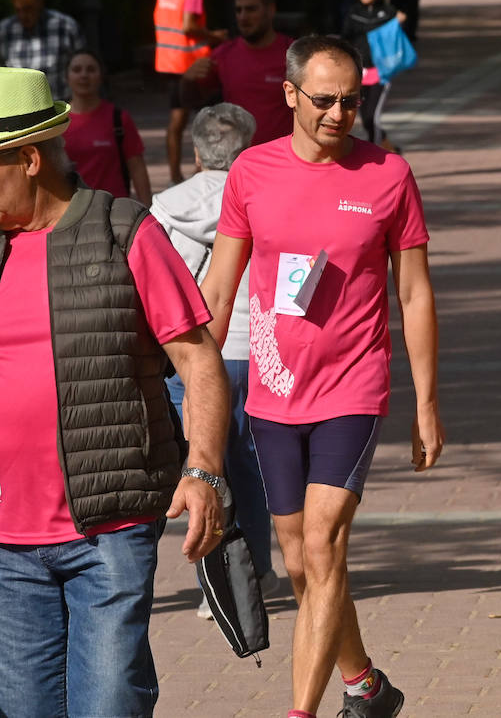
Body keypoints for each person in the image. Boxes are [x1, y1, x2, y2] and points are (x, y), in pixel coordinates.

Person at [199, 36, 442, 718]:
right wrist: (198, 387)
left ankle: (302, 710)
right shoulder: (252, 171)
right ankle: (366, 684)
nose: (340, 113)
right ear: (290, 94)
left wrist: (427, 403)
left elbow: (415, 294)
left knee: (323, 539)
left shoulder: (388, 173)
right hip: (275, 389)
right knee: (304, 563)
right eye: (325, 99)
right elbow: (220, 288)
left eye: (352, 100)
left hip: (353, 385)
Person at [0, 66, 230, 718]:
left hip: (110, 525)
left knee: (106, 704)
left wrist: (204, 469)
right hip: (6, 542)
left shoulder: (124, 231)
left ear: (28, 157)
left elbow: (199, 362)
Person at [152, 102, 277, 615]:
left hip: (193, 352)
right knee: (252, 464)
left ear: (198, 151)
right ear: (246, 148)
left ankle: (218, 580)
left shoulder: (165, 206)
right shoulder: (265, 196)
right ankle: (261, 566)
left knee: (204, 466)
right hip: (257, 346)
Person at [184, 0, 294, 147]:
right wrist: (187, 80)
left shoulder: (294, 53)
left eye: (251, 9)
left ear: (271, 10)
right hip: (238, 162)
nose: (243, 17)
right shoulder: (223, 54)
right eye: (238, 10)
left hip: (282, 162)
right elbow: (194, 103)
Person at [156, 0, 227, 184]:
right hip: (190, 61)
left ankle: (175, 175)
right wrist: (215, 36)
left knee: (176, 119)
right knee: (205, 119)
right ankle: (203, 172)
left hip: (168, 59)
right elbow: (188, 26)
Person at [62, 48, 152, 203]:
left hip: (114, 212)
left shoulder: (118, 118)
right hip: (70, 212)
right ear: (67, 77)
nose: (84, 75)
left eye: (91, 70)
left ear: (101, 76)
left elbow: (137, 168)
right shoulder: (58, 122)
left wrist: (149, 212)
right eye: (77, 70)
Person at [339, 0, 406, 151]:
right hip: (359, 74)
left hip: (381, 73)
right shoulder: (353, 13)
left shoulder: (388, 12)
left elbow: (397, 40)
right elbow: (345, 39)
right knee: (366, 119)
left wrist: (399, 23)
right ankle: (390, 150)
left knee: (372, 118)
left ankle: (376, 157)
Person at [0, 0, 85, 97]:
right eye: (18, 10)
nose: (23, 15)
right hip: (20, 109)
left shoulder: (65, 26)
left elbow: (84, 66)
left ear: (40, 3)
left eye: (28, 9)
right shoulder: (4, 31)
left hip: (60, 106)